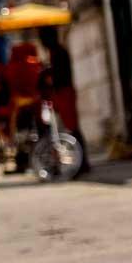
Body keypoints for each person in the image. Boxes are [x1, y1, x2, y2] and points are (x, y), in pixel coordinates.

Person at [38, 26, 90, 175]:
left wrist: (48, 75)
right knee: (69, 128)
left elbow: (60, 76)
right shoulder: (55, 53)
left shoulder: (59, 52)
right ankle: (80, 161)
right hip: (61, 94)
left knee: (72, 128)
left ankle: (82, 162)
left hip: (64, 93)